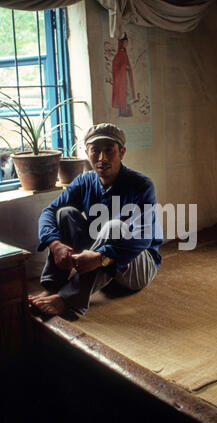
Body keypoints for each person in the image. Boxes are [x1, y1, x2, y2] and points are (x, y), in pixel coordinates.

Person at [29, 123, 163, 316]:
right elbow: (49, 212)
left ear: (122, 152)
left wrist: (101, 257)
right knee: (64, 213)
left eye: (109, 151)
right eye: (95, 151)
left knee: (114, 227)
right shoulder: (85, 181)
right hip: (99, 267)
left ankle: (66, 299)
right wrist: (54, 243)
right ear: (87, 152)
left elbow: (144, 238)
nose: (102, 158)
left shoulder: (141, 185)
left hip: (135, 266)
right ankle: (53, 287)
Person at [112, 32, 136, 117]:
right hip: (122, 79)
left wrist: (127, 68)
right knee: (123, 93)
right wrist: (124, 67)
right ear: (122, 43)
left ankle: (127, 110)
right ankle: (123, 111)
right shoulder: (119, 54)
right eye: (125, 42)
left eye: (127, 42)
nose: (126, 44)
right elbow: (115, 66)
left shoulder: (124, 53)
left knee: (128, 93)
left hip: (126, 78)